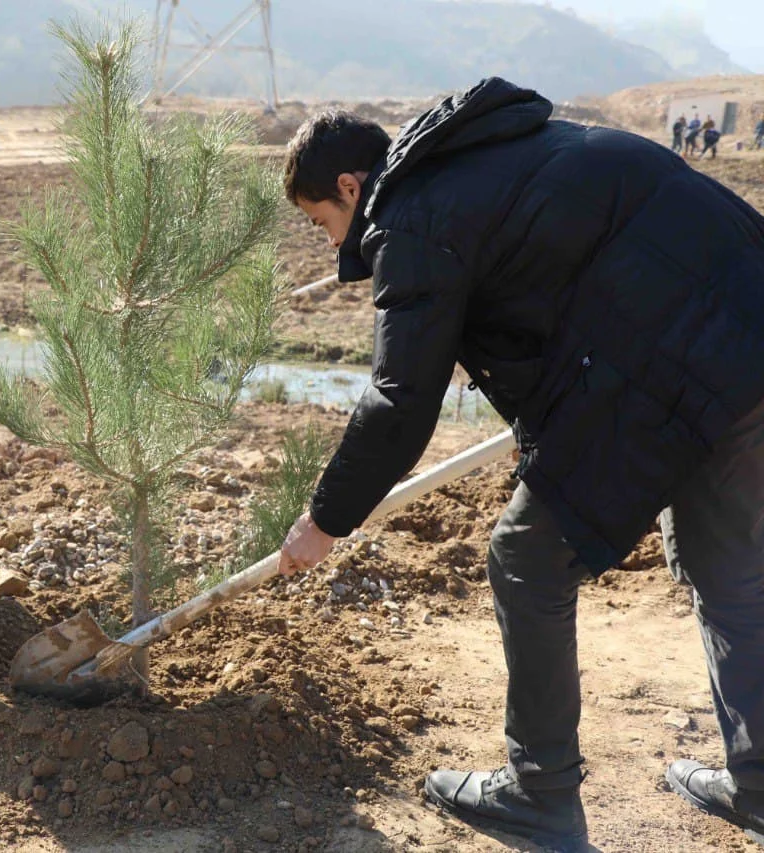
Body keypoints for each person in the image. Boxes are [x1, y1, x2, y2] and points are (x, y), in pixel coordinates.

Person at [277, 78, 764, 851]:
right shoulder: (495, 153)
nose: (328, 243)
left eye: (320, 222)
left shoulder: (414, 212)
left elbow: (400, 401)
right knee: (731, 564)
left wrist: (325, 519)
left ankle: (538, 793)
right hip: (745, 324)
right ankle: (760, 783)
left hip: (670, 353)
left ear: (350, 185)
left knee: (526, 556)